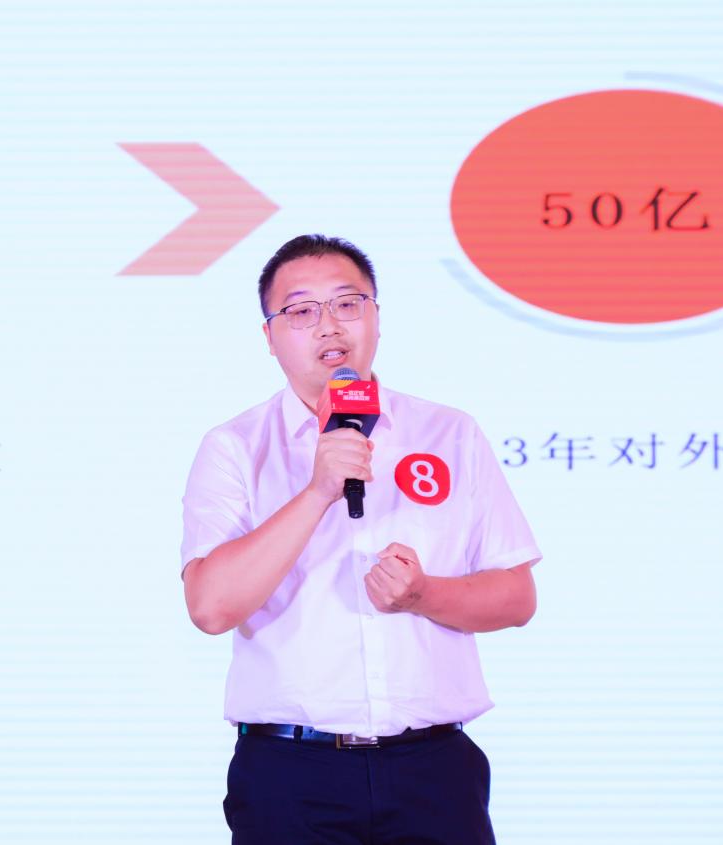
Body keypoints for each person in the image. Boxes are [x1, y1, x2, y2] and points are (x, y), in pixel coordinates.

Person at [179, 234, 541, 844]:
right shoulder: (235, 447)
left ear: (376, 318)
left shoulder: (449, 432)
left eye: (349, 304)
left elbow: (517, 597)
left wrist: (424, 594)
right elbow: (211, 608)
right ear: (270, 336)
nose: (330, 325)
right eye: (301, 310)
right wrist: (318, 490)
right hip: (291, 775)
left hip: (434, 771)